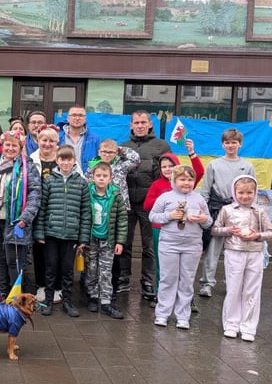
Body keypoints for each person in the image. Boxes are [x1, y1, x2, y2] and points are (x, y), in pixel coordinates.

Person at [212, 175, 272, 341]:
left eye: (249, 192)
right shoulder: (227, 210)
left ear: (254, 193)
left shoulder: (259, 211)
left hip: (255, 253)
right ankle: (231, 324)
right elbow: (215, 229)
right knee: (233, 289)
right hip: (234, 252)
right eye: (241, 192)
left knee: (252, 290)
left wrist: (258, 235)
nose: (245, 196)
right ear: (235, 192)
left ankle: (248, 327)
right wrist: (229, 231)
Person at [149, 165, 212, 329]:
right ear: (174, 180)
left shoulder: (199, 199)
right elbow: (152, 216)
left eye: (190, 179)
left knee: (186, 281)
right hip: (168, 245)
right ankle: (162, 314)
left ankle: (183, 316)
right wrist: (169, 216)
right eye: (182, 179)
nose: (186, 183)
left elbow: (209, 222)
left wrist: (203, 219)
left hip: (192, 246)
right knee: (167, 279)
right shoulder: (165, 198)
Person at [118, 110, 172, 300]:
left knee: (149, 245)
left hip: (151, 204)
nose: (140, 126)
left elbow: (167, 172)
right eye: (136, 122)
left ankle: (148, 281)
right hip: (127, 203)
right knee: (124, 242)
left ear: (150, 124)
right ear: (131, 125)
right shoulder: (123, 147)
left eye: (143, 122)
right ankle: (123, 278)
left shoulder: (161, 145)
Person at [144, 141, 204, 307]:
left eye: (171, 166)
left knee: (186, 269)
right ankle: (160, 294)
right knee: (163, 265)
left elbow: (199, 171)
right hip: (162, 230)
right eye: (164, 166)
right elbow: (147, 206)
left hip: (187, 233)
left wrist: (192, 152)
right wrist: (166, 201)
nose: (167, 169)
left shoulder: (185, 183)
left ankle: (185, 299)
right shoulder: (157, 185)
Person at [0, 130, 41, 302]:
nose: (10, 148)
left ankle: (16, 294)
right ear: (2, 146)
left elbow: (35, 194)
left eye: (13, 145)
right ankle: (0, 291)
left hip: (15, 220)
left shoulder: (28, 167)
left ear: (20, 147)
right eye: (7, 145)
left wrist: (25, 217)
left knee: (14, 259)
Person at [34, 144, 91, 317]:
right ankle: (48, 301)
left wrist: (83, 239)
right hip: (51, 234)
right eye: (62, 159)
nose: (65, 163)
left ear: (74, 161)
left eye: (69, 159)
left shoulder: (81, 183)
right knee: (50, 269)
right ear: (57, 160)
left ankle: (67, 301)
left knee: (67, 270)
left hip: (72, 235)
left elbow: (86, 212)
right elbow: (42, 209)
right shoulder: (49, 180)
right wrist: (40, 232)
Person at [199, 128, 256, 298]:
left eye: (234, 142)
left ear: (240, 144)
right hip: (217, 211)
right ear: (222, 144)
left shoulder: (247, 166)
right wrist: (204, 210)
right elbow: (205, 190)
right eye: (227, 142)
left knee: (237, 250)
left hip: (240, 212)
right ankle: (207, 283)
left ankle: (233, 283)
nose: (230, 145)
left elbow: (253, 191)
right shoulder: (214, 165)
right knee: (213, 249)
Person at [86, 161, 128, 319]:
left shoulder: (116, 195)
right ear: (93, 177)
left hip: (108, 241)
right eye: (98, 176)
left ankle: (105, 301)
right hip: (91, 239)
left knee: (106, 271)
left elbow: (122, 220)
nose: (101, 179)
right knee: (91, 269)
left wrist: (120, 241)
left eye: (105, 176)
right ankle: (92, 296)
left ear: (110, 178)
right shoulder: (88, 192)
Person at [29, 125, 61, 304]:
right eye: (44, 140)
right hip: (37, 212)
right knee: (40, 250)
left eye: (51, 140)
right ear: (38, 141)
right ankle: (41, 284)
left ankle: (58, 287)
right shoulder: (31, 160)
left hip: (58, 212)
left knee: (57, 250)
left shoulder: (66, 158)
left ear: (57, 142)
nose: (47, 144)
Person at [58, 105, 101, 175]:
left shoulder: (94, 139)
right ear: (68, 118)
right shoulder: (58, 137)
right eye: (74, 115)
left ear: (85, 118)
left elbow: (99, 161)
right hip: (62, 180)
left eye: (81, 115)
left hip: (86, 181)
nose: (77, 118)